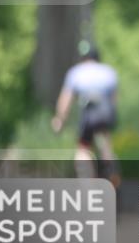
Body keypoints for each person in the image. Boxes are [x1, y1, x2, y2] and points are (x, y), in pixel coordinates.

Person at [51, 41, 119, 182]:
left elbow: (65, 100)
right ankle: (112, 173)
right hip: (106, 112)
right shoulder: (109, 72)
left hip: (89, 113)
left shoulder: (75, 72)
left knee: (83, 147)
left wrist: (59, 119)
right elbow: (114, 100)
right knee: (105, 141)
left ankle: (87, 184)